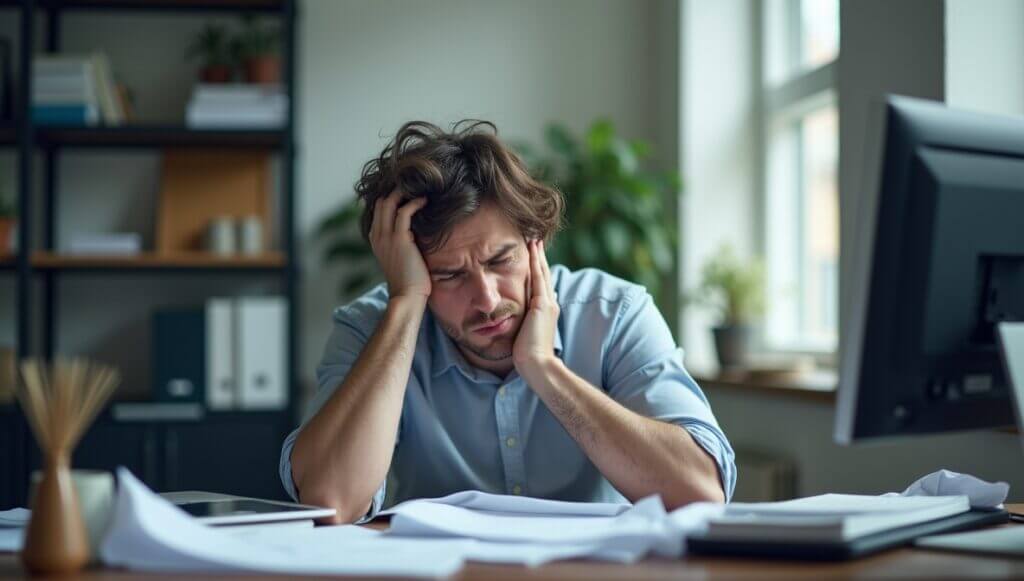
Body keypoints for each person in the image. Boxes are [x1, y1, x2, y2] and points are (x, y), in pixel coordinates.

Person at [281, 120, 735, 524]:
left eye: (501, 260)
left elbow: (699, 494)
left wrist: (544, 368)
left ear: (535, 241)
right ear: (407, 267)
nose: (487, 298)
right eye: (449, 275)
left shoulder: (614, 312)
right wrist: (405, 302)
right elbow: (331, 499)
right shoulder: (369, 329)